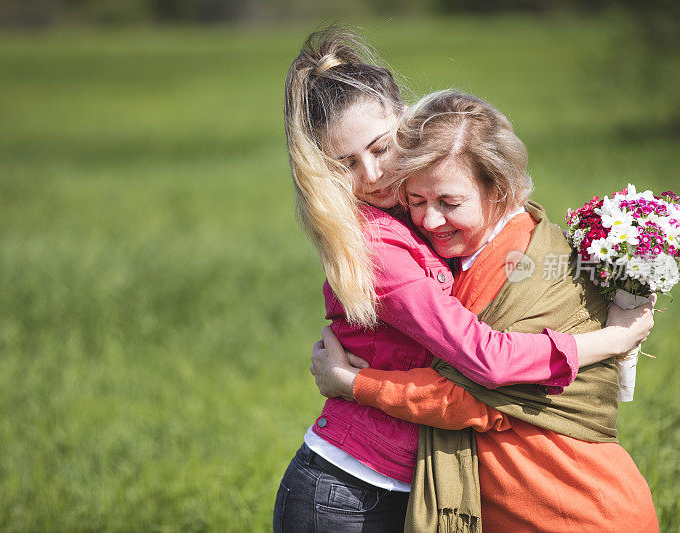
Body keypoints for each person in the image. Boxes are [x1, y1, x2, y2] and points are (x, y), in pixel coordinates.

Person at [275, 28, 655, 532]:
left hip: (394, 485)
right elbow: (486, 359)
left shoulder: (422, 210)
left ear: (406, 125)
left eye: (381, 148)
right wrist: (613, 338)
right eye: (345, 164)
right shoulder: (377, 246)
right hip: (346, 493)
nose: (371, 175)